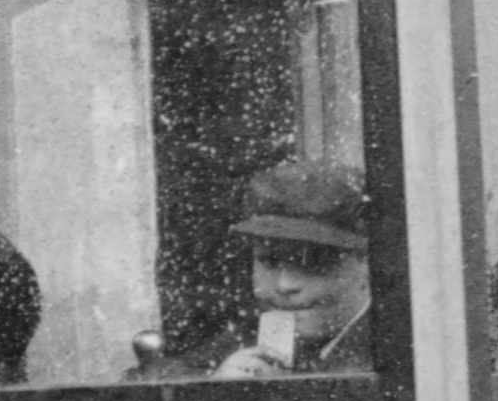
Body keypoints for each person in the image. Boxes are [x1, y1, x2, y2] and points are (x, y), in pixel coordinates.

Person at [141, 158, 376, 380]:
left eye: (311, 263)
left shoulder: (390, 349)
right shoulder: (243, 340)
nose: (284, 285)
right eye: (269, 261)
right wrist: (213, 389)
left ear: (367, 264)